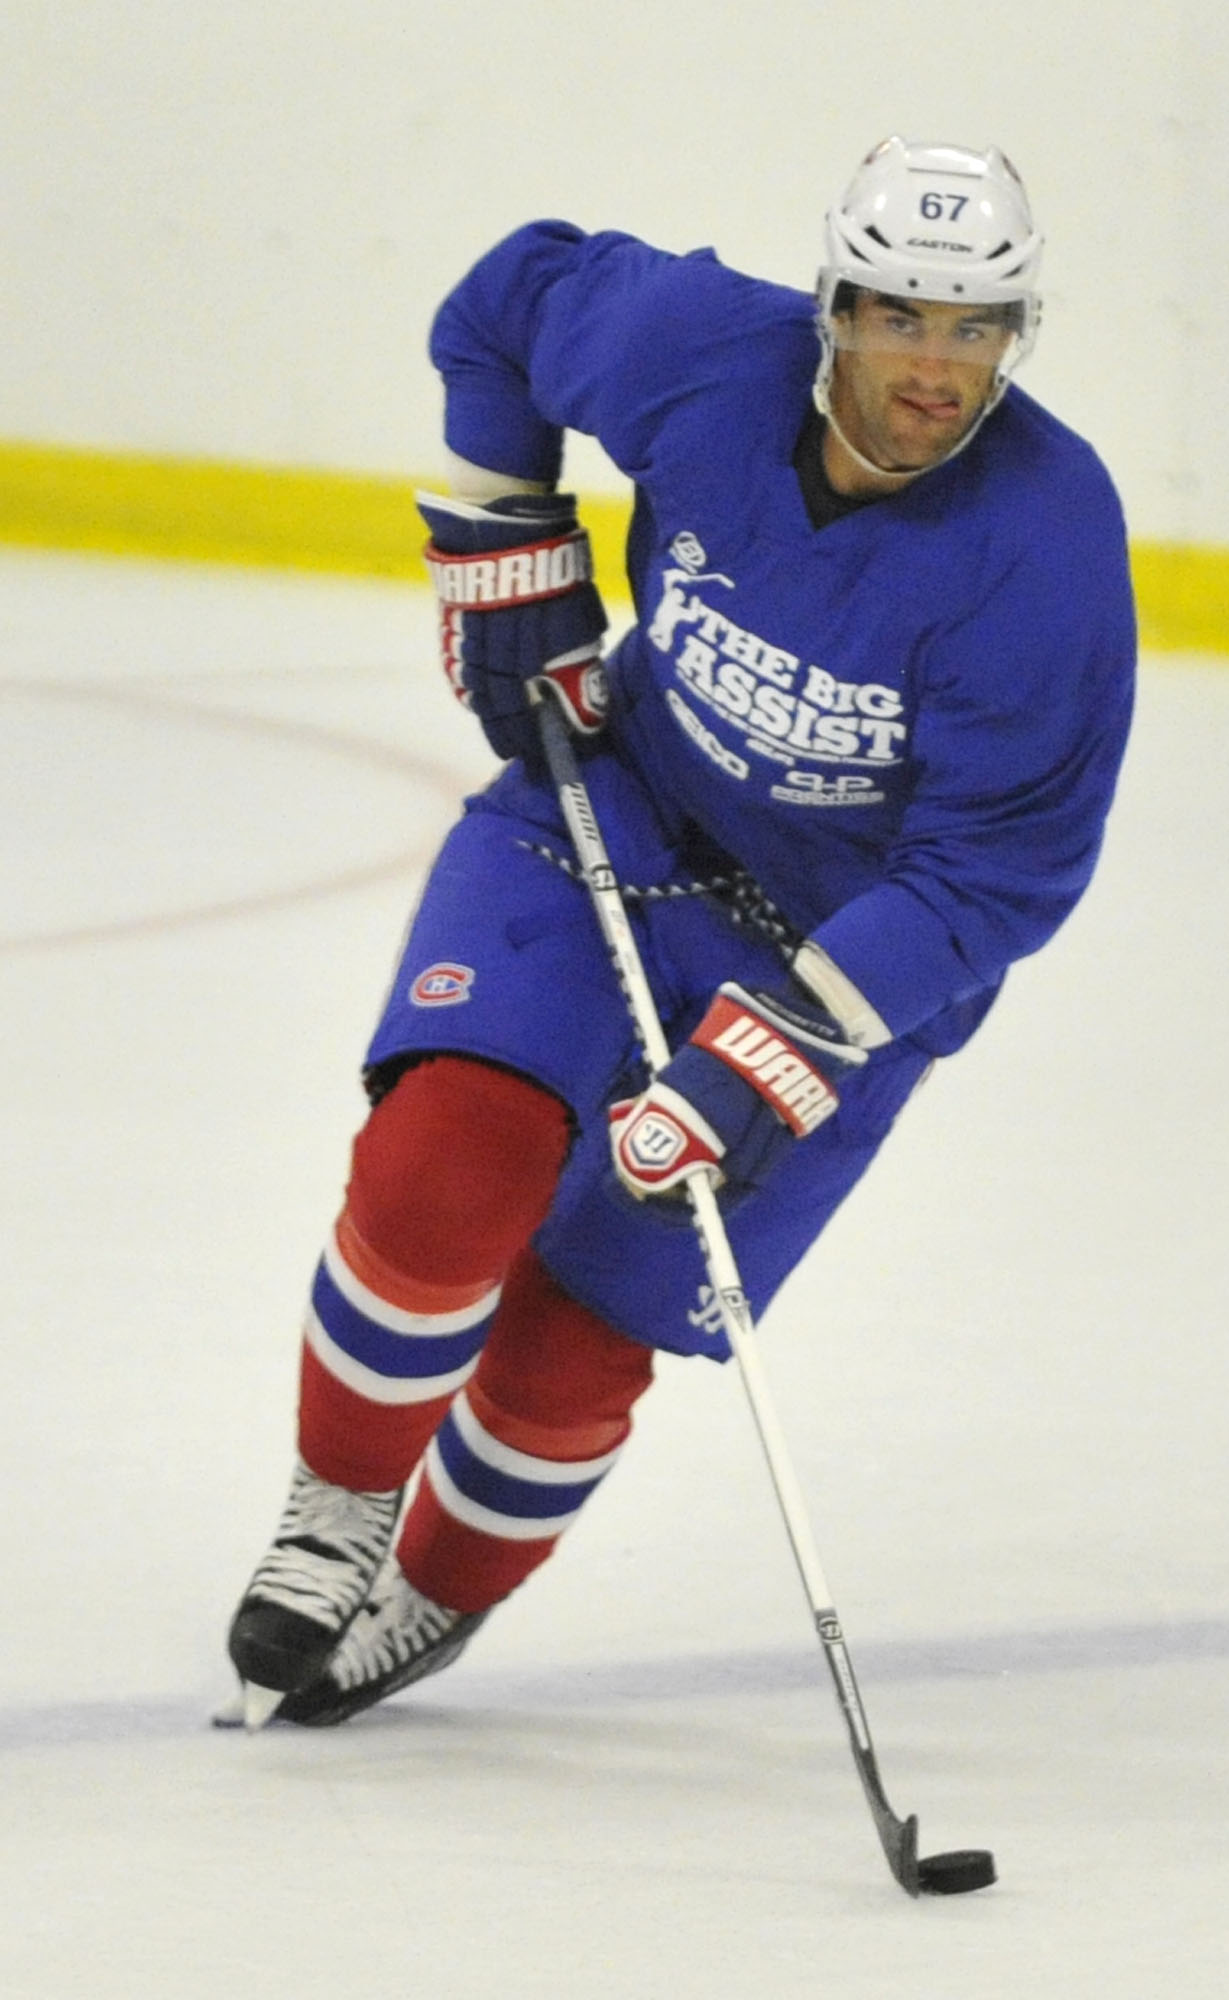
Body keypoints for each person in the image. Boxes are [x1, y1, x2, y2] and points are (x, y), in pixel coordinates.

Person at [224, 136, 1136, 1728]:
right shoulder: (700, 347)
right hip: (614, 817)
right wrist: (504, 547)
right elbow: (504, 302)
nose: (937, 369)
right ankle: (341, 1506)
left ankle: (435, 1586)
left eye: (978, 327)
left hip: (838, 952)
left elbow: (1000, 873)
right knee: (448, 1157)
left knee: (582, 1345)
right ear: (832, 306)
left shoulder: (1043, 546)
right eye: (903, 318)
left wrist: (772, 1051)